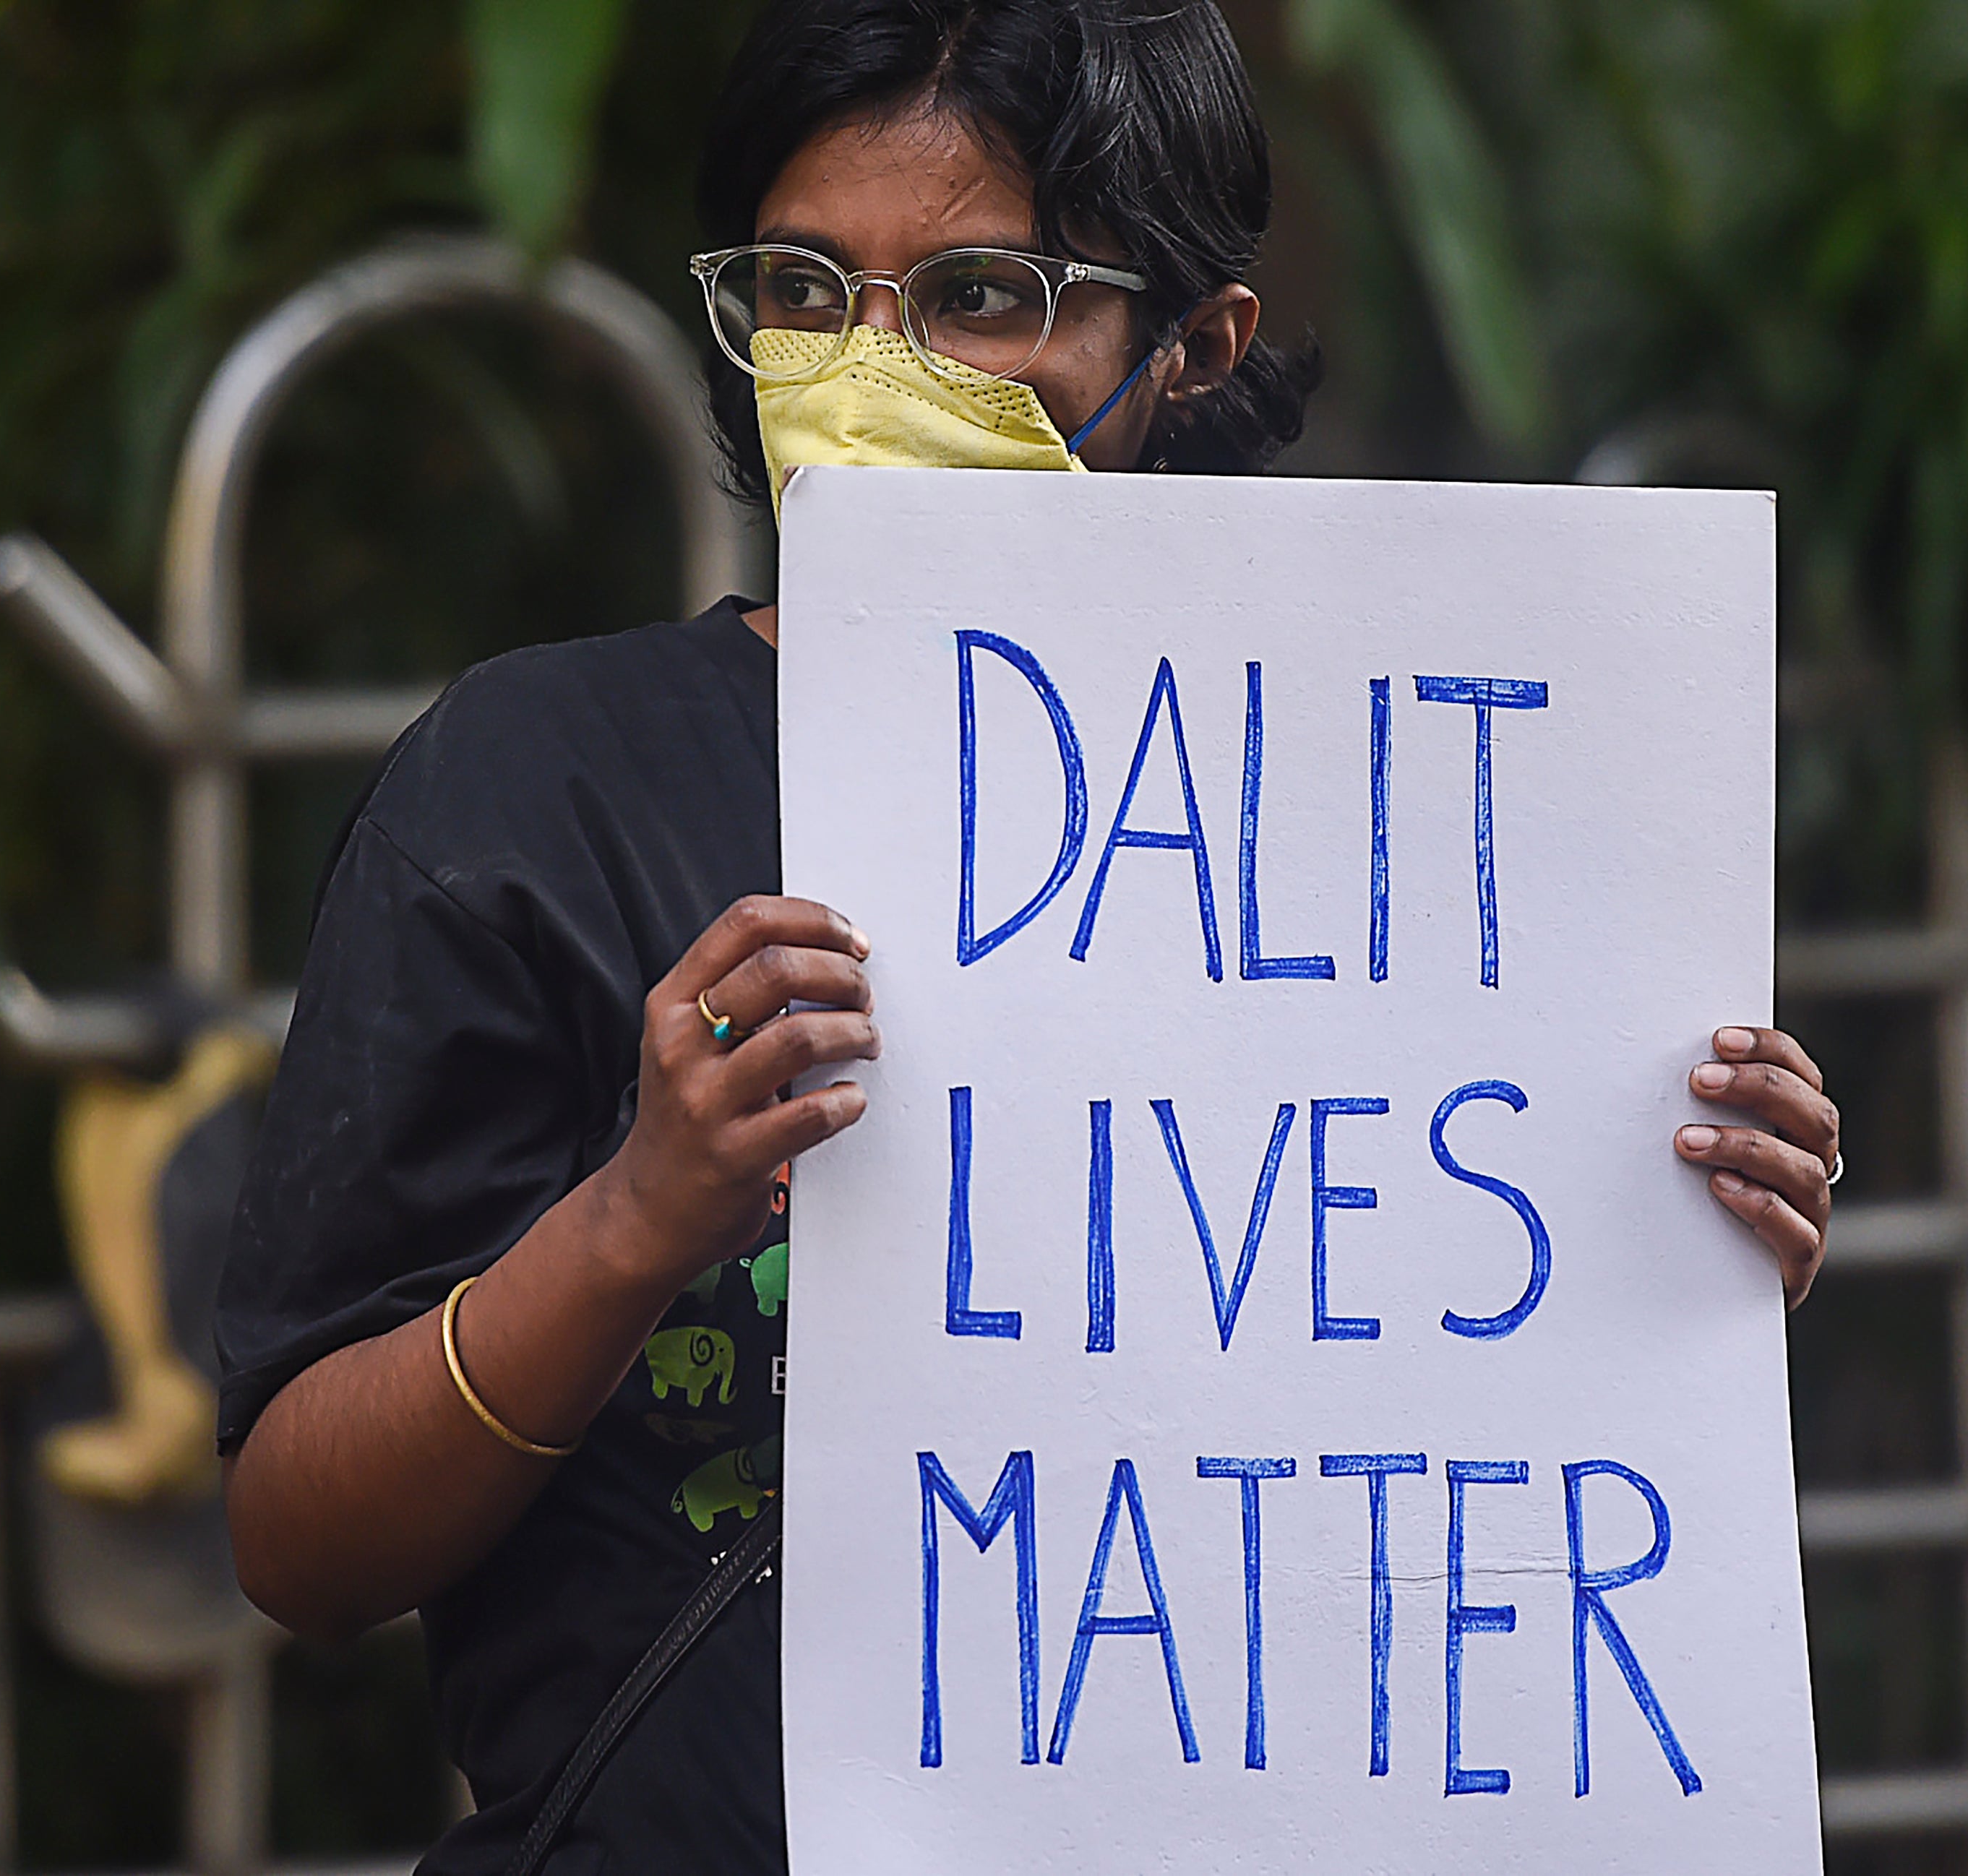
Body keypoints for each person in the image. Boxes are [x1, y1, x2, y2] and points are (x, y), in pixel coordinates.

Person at [214, 3, 1843, 1871]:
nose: (868, 361)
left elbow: (1445, 1414)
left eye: (981, 294)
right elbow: (298, 1546)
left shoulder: (1405, 787)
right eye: (804, 288)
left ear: (1189, 343)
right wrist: (630, 1218)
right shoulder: (528, 791)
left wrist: (1670, 1259)